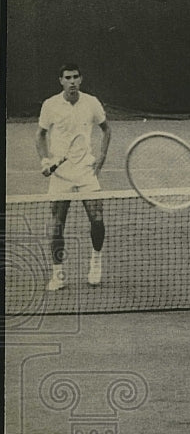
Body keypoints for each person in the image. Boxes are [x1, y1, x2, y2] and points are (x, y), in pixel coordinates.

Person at [36, 63, 111, 290]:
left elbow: (107, 129)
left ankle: (95, 262)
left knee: (97, 219)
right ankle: (57, 274)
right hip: (60, 174)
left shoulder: (92, 102)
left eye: (76, 77)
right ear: (61, 81)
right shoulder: (50, 105)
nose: (72, 81)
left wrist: (102, 156)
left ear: (81, 80)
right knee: (57, 224)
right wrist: (45, 161)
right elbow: (40, 135)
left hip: (86, 171)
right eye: (67, 77)